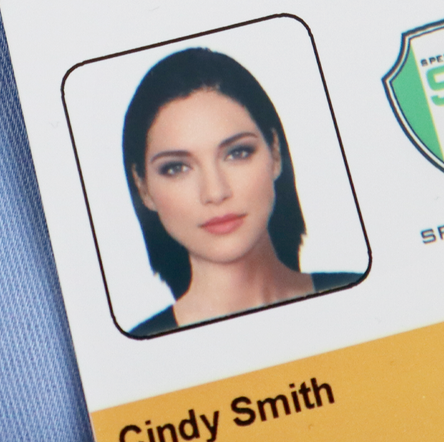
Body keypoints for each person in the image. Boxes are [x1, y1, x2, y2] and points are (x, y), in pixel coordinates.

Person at [121, 48, 361, 337]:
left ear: (274, 152)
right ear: (143, 187)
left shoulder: (360, 293)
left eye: (237, 153)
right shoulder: (138, 351)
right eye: (176, 168)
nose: (215, 192)